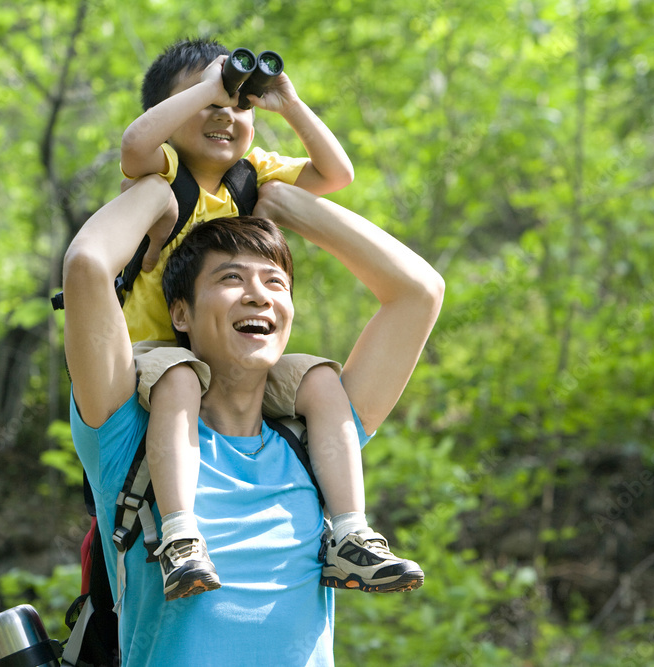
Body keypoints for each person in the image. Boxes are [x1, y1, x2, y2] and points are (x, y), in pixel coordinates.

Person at [63, 176, 444, 664]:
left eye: (275, 282)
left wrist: (291, 204)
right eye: (231, 278)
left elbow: (419, 291)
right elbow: (87, 266)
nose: (258, 295)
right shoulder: (128, 437)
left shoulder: (315, 443)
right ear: (181, 313)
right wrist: (164, 192)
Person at [117, 37, 419, 599]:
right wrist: (216, 84)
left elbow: (336, 174)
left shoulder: (252, 171)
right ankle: (181, 535)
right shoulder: (165, 171)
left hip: (228, 356)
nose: (223, 114)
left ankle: (350, 534)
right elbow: (133, 145)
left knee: (321, 381)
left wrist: (288, 102)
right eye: (204, 101)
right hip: (154, 353)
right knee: (180, 376)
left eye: (237, 105)